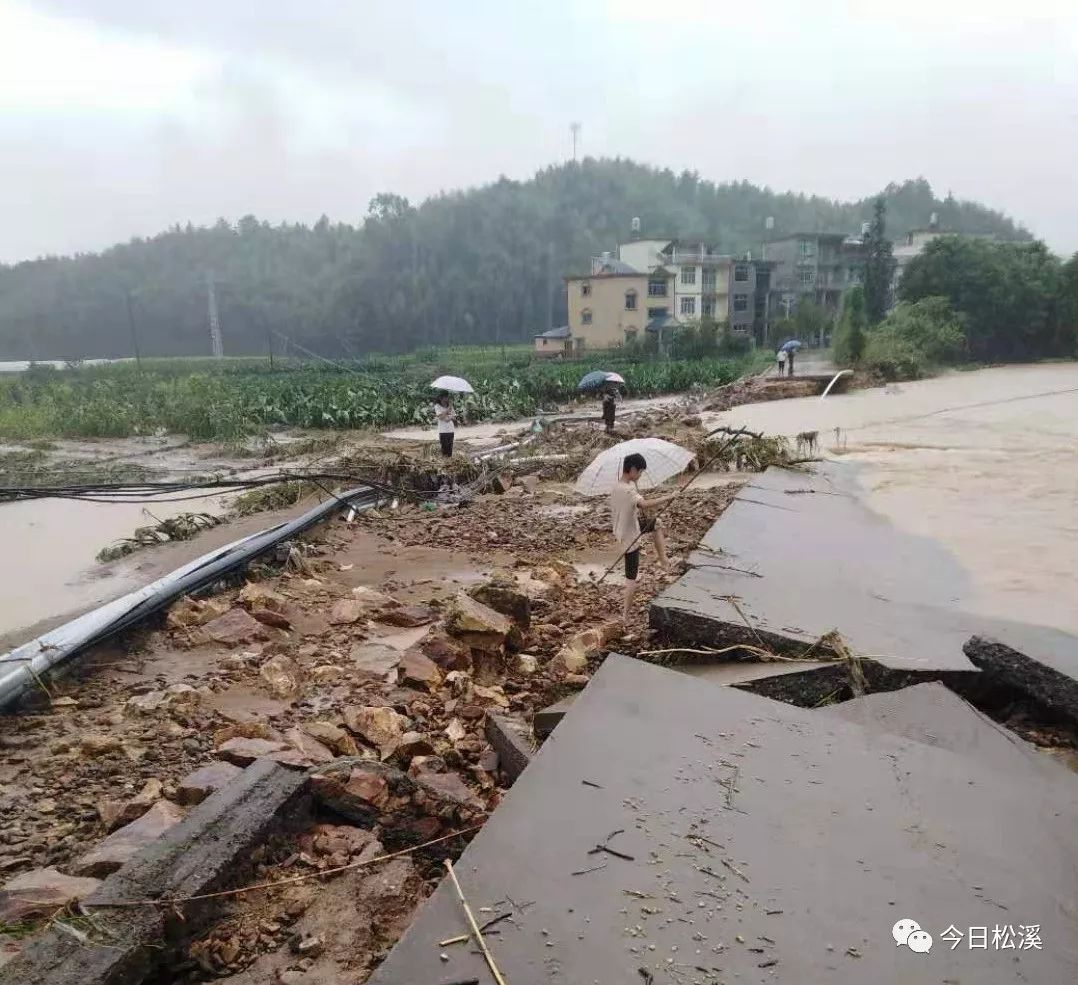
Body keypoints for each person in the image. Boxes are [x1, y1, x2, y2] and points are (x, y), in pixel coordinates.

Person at [611, 452, 675, 624]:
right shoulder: (629, 489)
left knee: (656, 522)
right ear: (632, 469)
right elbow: (644, 504)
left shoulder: (617, 487)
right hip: (629, 537)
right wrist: (669, 497)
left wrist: (641, 509)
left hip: (622, 530)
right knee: (631, 579)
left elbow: (632, 507)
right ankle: (625, 616)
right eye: (639, 472)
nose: (640, 475)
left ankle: (663, 560)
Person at [433, 392, 455, 457]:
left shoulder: (450, 406)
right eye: (446, 397)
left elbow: (454, 417)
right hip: (443, 430)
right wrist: (448, 410)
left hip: (451, 429)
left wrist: (448, 417)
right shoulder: (437, 406)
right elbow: (440, 417)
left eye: (448, 397)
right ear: (441, 398)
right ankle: (445, 463)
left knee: (450, 449)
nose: (448, 398)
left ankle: (450, 463)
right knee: (444, 448)